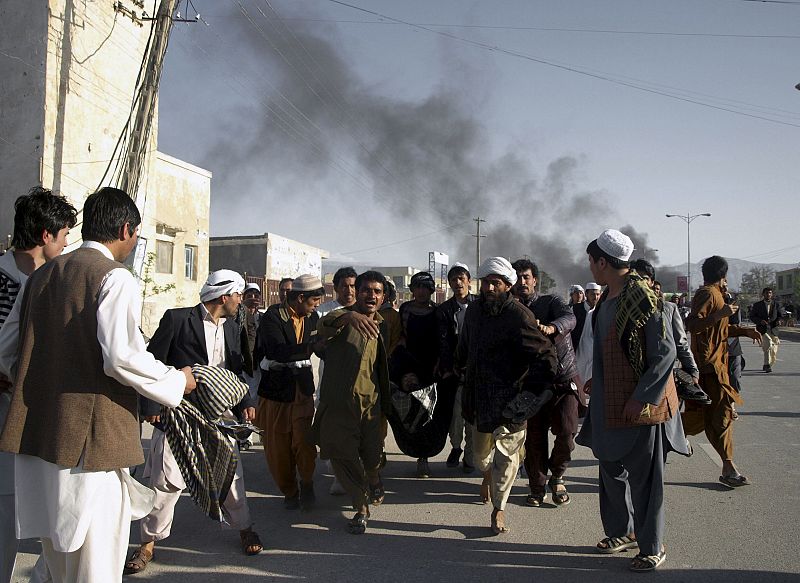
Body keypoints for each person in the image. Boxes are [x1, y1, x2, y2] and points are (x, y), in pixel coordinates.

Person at [0, 187, 195, 583]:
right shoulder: (114, 278)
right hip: (92, 451)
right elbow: (121, 357)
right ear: (126, 229)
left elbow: (7, 351)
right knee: (97, 568)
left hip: (43, 446)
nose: (135, 241)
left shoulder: (40, 277)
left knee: (61, 564)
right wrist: (176, 381)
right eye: (137, 234)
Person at [126, 269, 262, 574]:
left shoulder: (232, 328)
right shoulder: (177, 320)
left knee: (231, 477)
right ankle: (147, 543)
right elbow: (152, 362)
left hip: (219, 416)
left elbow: (236, 371)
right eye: (238, 295)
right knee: (166, 482)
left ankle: (244, 528)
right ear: (224, 296)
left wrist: (246, 403)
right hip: (179, 414)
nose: (241, 301)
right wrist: (150, 404)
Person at [576, 229, 687, 572]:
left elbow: (665, 355)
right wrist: (598, 378)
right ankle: (620, 532)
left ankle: (651, 545)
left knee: (645, 480)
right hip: (608, 403)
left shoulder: (643, 299)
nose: (590, 268)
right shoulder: (605, 301)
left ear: (603, 262)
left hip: (639, 407)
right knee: (610, 469)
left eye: (591, 261)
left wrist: (642, 398)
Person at [0, 187, 77, 583]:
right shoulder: (3, 279)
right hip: (6, 416)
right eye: (64, 235)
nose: (66, 245)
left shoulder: (56, 283)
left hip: (41, 418)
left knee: (54, 518)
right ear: (46, 235)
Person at [456, 257, 557, 535]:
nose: (489, 288)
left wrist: (535, 392)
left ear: (508, 285)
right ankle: (486, 476)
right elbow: (463, 346)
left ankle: (499, 509)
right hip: (478, 400)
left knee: (508, 458)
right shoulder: (474, 311)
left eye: (496, 283)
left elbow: (545, 355)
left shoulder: (519, 315)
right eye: (486, 282)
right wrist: (457, 367)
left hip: (511, 403)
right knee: (480, 458)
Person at [310, 271, 390, 535]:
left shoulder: (382, 324)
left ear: (382, 297)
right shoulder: (342, 319)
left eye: (377, 292)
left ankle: (375, 479)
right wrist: (349, 316)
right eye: (366, 290)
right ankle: (360, 507)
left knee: (371, 454)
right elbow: (323, 326)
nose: (371, 295)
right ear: (358, 291)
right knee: (344, 455)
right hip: (341, 403)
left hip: (370, 404)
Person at [682, 256, 761, 488]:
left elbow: (720, 331)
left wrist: (745, 331)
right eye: (726, 278)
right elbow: (693, 326)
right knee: (718, 416)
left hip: (716, 368)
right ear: (722, 277)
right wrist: (721, 313)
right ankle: (727, 466)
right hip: (708, 369)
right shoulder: (708, 294)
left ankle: (668, 437)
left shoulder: (717, 296)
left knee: (710, 416)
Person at [511, 258, 582, 508]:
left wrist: (553, 328)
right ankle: (537, 486)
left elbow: (569, 318)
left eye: (526, 277)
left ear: (535, 280)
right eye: (517, 277)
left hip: (563, 379)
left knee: (566, 431)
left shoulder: (551, 302)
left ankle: (558, 475)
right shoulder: (510, 309)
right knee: (534, 438)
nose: (522, 282)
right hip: (531, 383)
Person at [254, 274, 324, 512]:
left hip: (302, 391)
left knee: (304, 444)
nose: (316, 307)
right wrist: (311, 348)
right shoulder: (272, 317)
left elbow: (320, 345)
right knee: (278, 449)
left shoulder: (313, 318)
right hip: (276, 393)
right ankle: (290, 491)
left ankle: (307, 483)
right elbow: (277, 351)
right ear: (300, 297)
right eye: (313, 301)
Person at [392, 271, 451, 479]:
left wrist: (438, 365)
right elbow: (400, 337)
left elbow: (441, 341)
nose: (421, 291)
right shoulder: (405, 310)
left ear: (431, 291)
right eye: (417, 287)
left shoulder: (437, 312)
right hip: (409, 367)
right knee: (410, 413)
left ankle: (424, 458)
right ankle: (413, 450)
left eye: (425, 288)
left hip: (431, 369)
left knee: (429, 414)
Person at [316, 266, 358, 495]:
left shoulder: (365, 310)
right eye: (345, 286)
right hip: (330, 382)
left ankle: (355, 474)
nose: (349, 291)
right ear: (337, 288)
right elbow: (319, 344)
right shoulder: (324, 312)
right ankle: (338, 476)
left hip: (357, 384)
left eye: (353, 286)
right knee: (331, 430)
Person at [437, 263, 477, 472]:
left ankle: (470, 456)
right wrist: (448, 367)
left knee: (472, 416)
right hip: (454, 371)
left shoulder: (480, 305)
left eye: (461, 278)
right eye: (454, 279)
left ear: (469, 280)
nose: (458, 282)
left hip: (476, 371)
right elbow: (443, 342)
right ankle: (455, 447)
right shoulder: (445, 309)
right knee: (455, 415)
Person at [750, 287, 784, 373]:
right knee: (768, 344)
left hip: (773, 329)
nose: (768, 294)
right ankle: (766, 365)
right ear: (763, 294)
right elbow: (752, 316)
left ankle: (769, 363)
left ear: (772, 294)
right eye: (766, 293)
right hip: (762, 329)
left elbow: (780, 316)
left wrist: (779, 321)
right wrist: (760, 321)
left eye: (769, 293)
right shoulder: (757, 305)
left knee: (773, 349)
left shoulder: (776, 304)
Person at [568, 284, 587, 353]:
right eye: (576, 293)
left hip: (583, 337)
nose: (579, 295)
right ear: (572, 295)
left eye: (581, 293)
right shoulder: (567, 308)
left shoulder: (586, 308)